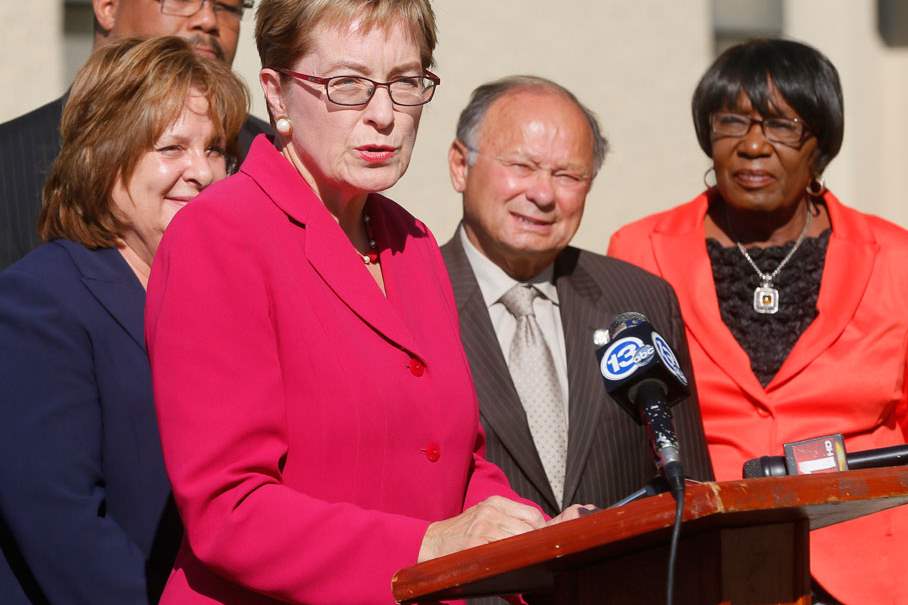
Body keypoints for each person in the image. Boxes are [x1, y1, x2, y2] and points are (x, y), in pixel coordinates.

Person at [145, 3, 582, 604]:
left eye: (406, 83)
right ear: (275, 93)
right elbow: (229, 508)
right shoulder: (218, 235)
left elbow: (454, 462)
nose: (384, 116)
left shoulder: (413, 242)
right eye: (348, 85)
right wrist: (427, 546)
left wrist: (538, 537)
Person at [608, 38, 908, 605]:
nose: (752, 146)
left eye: (780, 126)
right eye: (731, 123)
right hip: (705, 556)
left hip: (869, 567)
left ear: (821, 144)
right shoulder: (638, 251)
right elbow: (621, 428)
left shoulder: (895, 258)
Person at [0, 36, 248, 604]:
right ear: (104, 156)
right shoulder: (37, 304)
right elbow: (63, 528)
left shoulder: (220, 300)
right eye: (172, 148)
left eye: (215, 149)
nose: (202, 173)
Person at [441, 75, 713, 519]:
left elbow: (690, 491)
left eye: (568, 175)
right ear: (460, 165)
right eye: (521, 166)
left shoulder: (640, 300)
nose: (543, 194)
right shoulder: (408, 297)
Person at [0, 0, 271, 270]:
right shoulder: (10, 162)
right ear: (108, 6)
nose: (209, 20)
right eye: (182, 1)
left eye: (229, 7)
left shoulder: (273, 158)